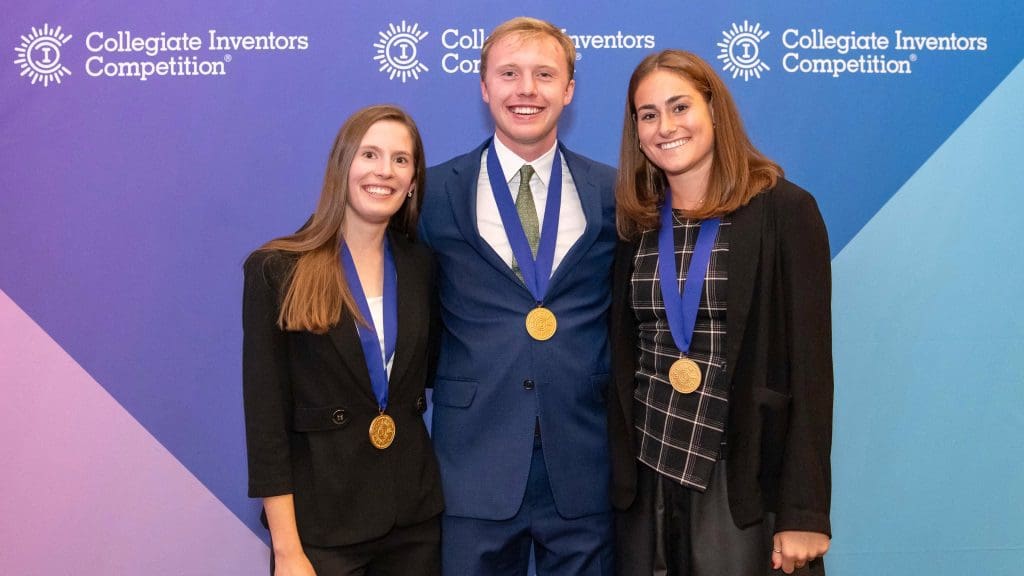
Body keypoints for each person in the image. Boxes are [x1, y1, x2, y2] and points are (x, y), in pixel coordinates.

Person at [609, 49, 833, 575]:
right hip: (648, 478)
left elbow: (811, 367)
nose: (666, 126)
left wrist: (804, 510)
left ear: (714, 110)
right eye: (648, 114)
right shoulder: (635, 222)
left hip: (741, 480)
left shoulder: (784, 210)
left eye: (680, 107)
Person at [418, 16, 617, 576]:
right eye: (509, 73)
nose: (527, 90)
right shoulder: (432, 192)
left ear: (569, 90)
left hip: (582, 463)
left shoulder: (615, 191)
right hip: (471, 464)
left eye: (544, 74)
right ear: (484, 87)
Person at [242, 104, 443, 575]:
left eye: (400, 159)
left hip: (413, 523)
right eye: (370, 154)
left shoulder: (423, 267)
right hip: (320, 531)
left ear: (413, 180)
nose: (384, 171)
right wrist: (288, 552)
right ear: (342, 165)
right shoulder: (277, 270)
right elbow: (266, 425)